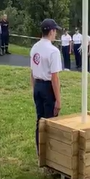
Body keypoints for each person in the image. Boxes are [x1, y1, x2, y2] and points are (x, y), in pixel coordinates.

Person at [30, 19, 62, 153]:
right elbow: (54, 77)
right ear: (51, 31)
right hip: (47, 87)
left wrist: (34, 89)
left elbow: (32, 72)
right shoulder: (53, 51)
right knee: (50, 122)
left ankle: (40, 152)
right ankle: (49, 156)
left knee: (40, 120)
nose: (56, 34)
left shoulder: (34, 47)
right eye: (55, 31)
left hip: (37, 85)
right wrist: (58, 100)